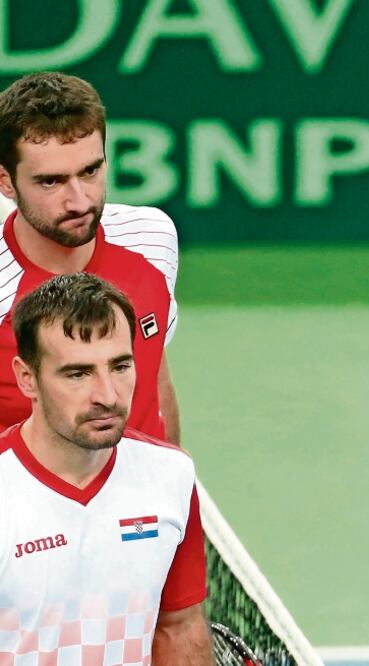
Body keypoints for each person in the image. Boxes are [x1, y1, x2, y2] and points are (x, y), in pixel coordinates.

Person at [0, 272, 209, 664]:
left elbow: (179, 627)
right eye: (78, 373)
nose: (107, 396)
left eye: (120, 366)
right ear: (27, 378)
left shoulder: (171, 476)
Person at [0, 71, 181, 442]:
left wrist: (173, 467)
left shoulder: (151, 238)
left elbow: (153, 377)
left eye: (90, 171)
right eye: (51, 181)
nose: (79, 201)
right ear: (6, 181)